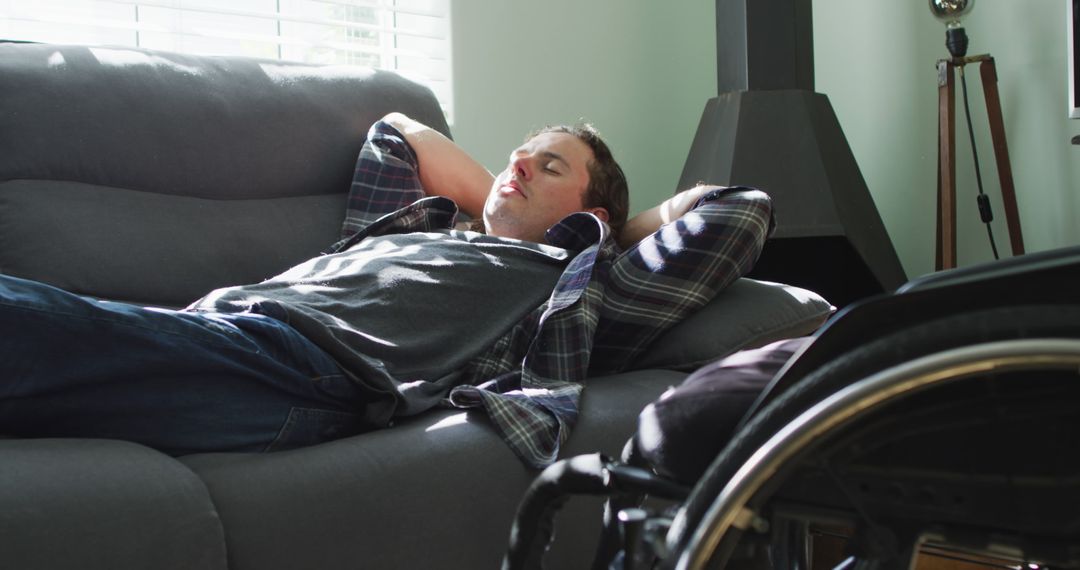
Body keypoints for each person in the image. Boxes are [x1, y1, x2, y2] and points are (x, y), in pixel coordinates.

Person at [0, 113, 774, 468]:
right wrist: (497, 204)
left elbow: (738, 211)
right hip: (217, 329)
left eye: (550, 166)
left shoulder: (573, 283)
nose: (519, 167)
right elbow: (396, 130)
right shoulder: (415, 227)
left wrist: (602, 231)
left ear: (592, 208)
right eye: (518, 152)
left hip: (299, 369)